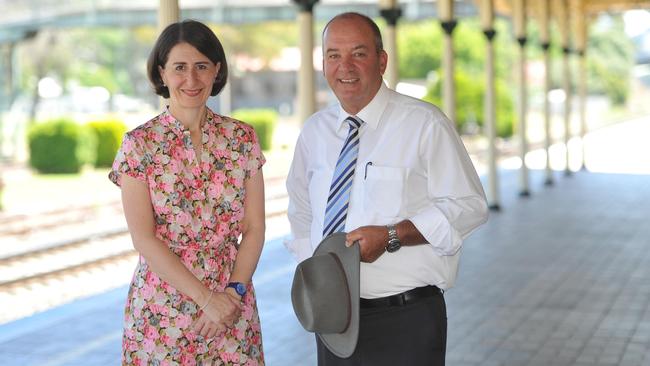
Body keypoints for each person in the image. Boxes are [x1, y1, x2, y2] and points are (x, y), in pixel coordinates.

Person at [285, 12, 488, 366]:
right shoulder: (314, 132)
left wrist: (393, 235)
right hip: (334, 322)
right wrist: (316, 278)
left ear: (382, 60)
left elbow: (469, 205)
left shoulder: (425, 124)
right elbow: (301, 211)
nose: (345, 66)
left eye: (358, 53)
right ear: (323, 64)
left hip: (405, 320)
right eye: (334, 55)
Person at [109, 20, 265, 365]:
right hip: (161, 310)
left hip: (232, 304)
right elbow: (144, 238)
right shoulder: (139, 145)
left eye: (201, 66)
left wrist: (232, 293)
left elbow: (254, 228)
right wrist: (207, 299)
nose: (191, 80)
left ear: (217, 70)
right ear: (162, 73)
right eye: (179, 68)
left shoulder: (242, 139)